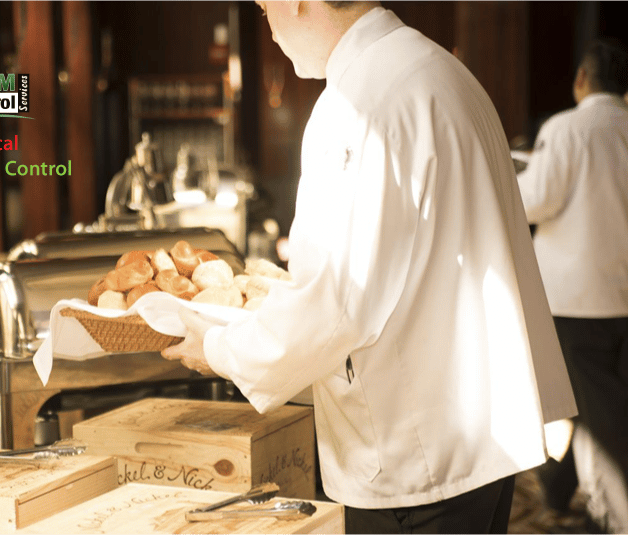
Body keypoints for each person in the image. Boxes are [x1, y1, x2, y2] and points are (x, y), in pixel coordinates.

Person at [163, 1, 577, 533]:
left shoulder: (358, 102)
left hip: (417, 455)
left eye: (266, 10)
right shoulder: (442, 70)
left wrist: (218, 348)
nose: (269, 29)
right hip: (479, 430)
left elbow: (336, 302)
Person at [516, 38, 628, 534]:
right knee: (597, 402)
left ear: (582, 78)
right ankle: (560, 492)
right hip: (621, 292)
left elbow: (535, 201)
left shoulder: (567, 128)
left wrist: (510, 177)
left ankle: (614, 519)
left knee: (598, 420)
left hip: (578, 298)